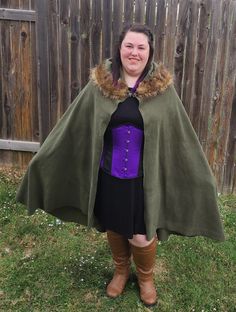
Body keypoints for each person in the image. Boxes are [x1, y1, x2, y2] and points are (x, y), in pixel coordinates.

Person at [16, 24, 225, 307]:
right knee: (114, 226)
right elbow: (74, 126)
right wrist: (45, 160)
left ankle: (146, 277)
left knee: (140, 234)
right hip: (109, 174)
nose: (134, 53)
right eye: (129, 46)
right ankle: (121, 270)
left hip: (143, 179)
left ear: (149, 53)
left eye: (141, 47)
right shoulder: (100, 85)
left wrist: (201, 176)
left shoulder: (162, 91)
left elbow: (180, 135)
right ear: (119, 48)